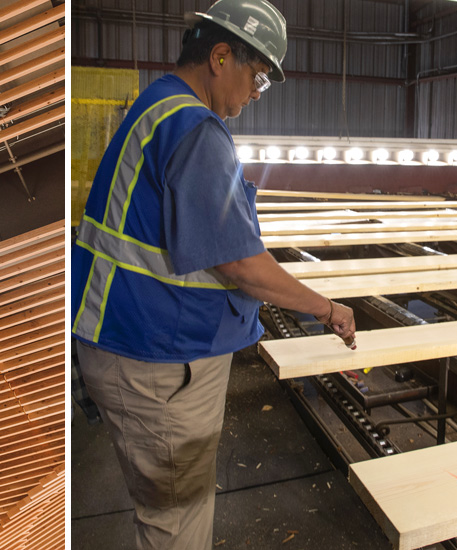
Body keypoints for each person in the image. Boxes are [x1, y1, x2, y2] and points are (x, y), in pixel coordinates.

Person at [70, 0, 357, 547]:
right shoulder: (195, 129)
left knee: (167, 512)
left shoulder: (159, 105)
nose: (255, 94)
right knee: (177, 523)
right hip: (158, 360)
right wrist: (326, 307)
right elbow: (242, 264)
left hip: (129, 343)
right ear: (221, 56)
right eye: (257, 77)